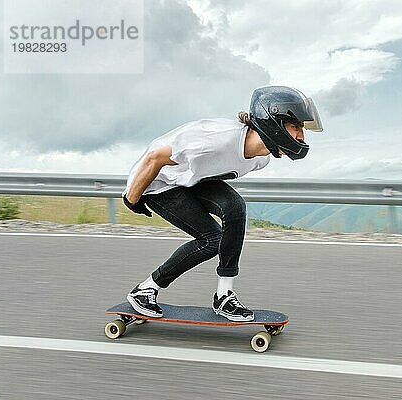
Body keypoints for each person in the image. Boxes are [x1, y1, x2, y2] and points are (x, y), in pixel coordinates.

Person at [121, 86, 323, 321]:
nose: (301, 136)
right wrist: (132, 197)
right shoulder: (215, 140)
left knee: (235, 207)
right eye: (296, 127)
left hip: (189, 180)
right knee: (212, 239)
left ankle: (224, 296)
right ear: (273, 122)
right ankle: (145, 290)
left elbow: (210, 172)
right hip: (157, 183)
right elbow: (154, 157)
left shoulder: (260, 159)